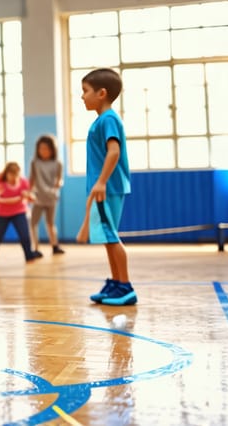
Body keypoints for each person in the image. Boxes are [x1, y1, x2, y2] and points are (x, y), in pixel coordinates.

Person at [78, 68, 135, 306]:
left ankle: (125, 287)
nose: (82, 96)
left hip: (108, 187)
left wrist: (101, 182)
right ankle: (115, 282)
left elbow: (114, 151)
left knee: (111, 237)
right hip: (103, 187)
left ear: (101, 93)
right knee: (107, 237)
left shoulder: (108, 119)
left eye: (85, 91)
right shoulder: (101, 121)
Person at [0, 162, 43, 265]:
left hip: (19, 212)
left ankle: (29, 257)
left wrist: (28, 196)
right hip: (2, 213)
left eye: (16, 175)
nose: (14, 177)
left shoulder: (23, 182)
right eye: (11, 175)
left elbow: (32, 198)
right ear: (6, 173)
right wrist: (16, 199)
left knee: (24, 235)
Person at [29, 134, 65, 256]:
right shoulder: (35, 163)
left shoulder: (58, 163)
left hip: (51, 197)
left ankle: (55, 246)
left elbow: (60, 179)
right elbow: (31, 180)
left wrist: (57, 185)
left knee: (50, 223)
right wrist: (28, 193)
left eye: (46, 149)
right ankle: (35, 248)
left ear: (52, 149)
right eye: (41, 148)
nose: (44, 151)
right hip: (37, 197)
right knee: (33, 223)